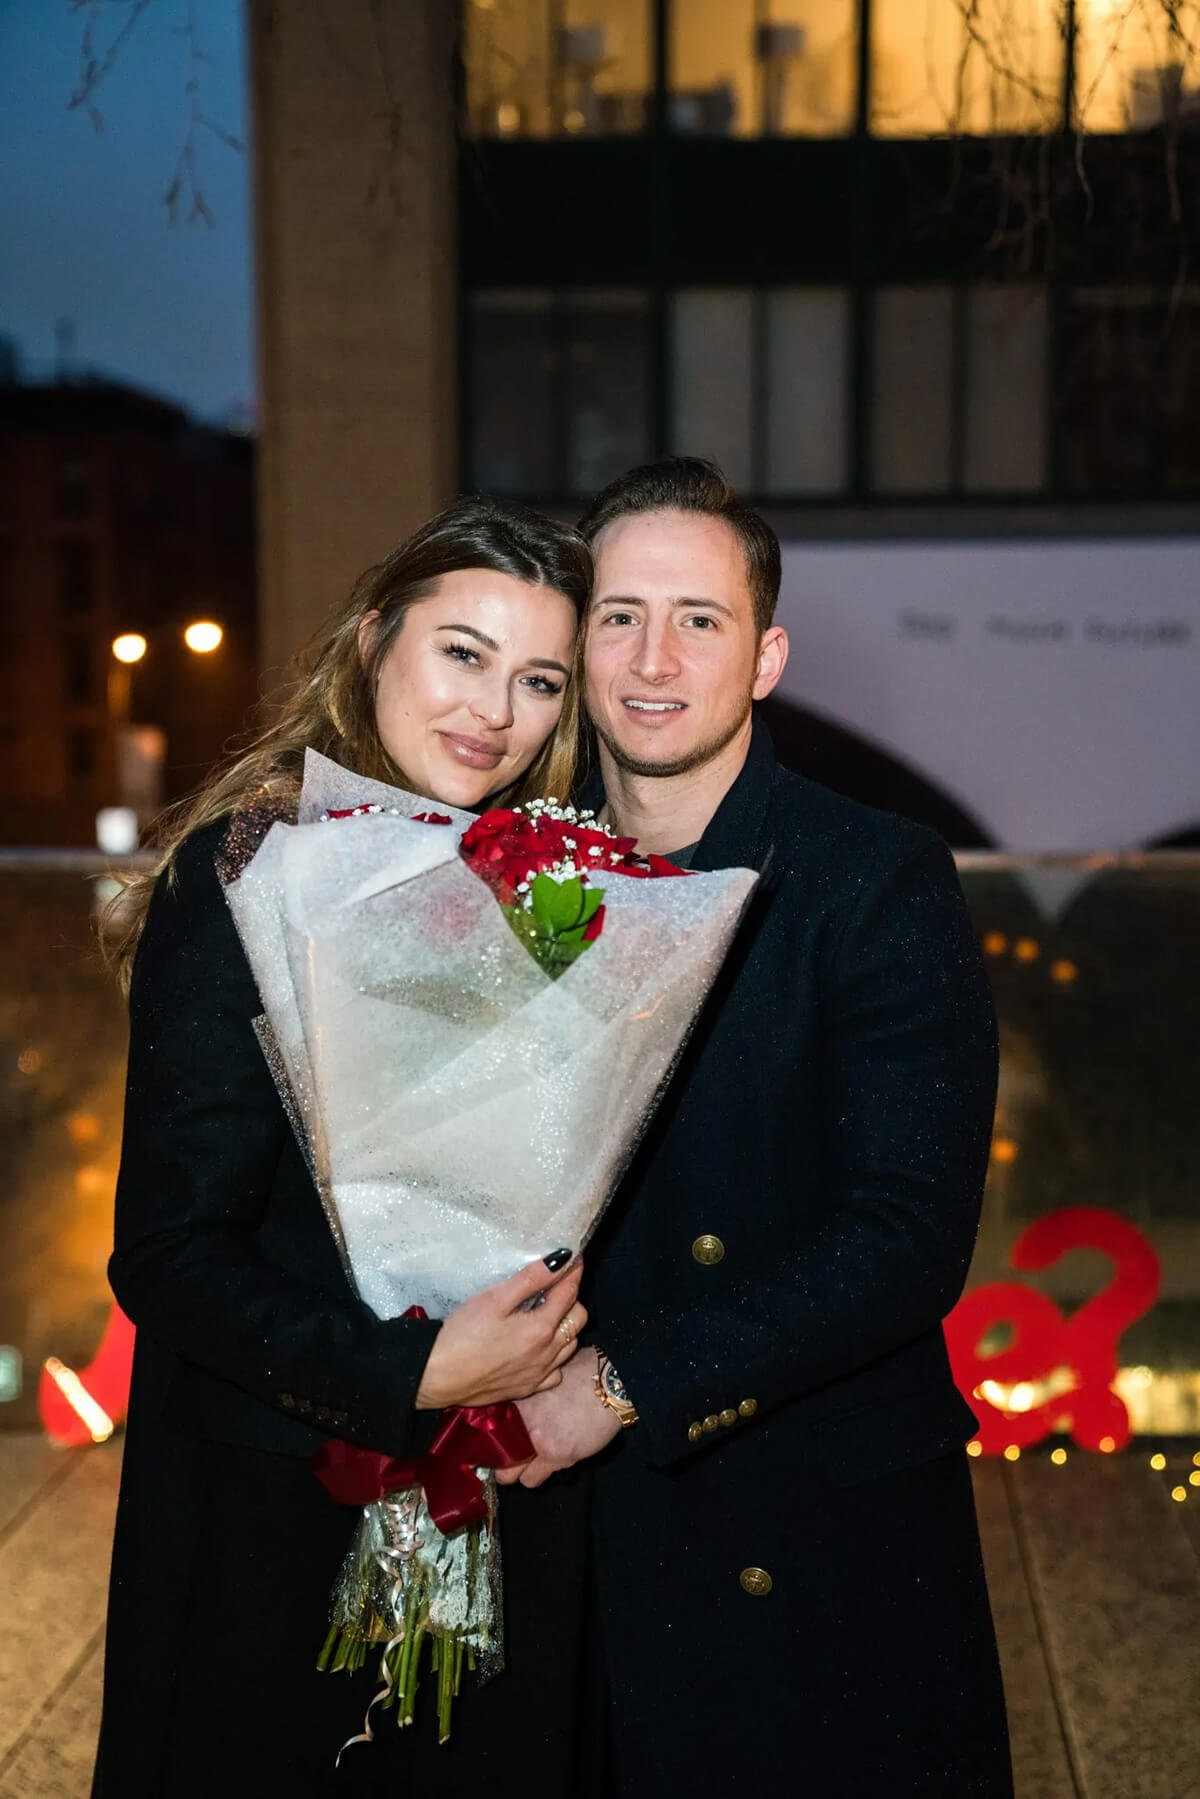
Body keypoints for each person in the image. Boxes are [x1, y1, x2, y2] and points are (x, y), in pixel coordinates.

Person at [502, 459, 1014, 1795]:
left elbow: (905, 1237)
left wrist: (616, 1387)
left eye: (700, 620)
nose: (654, 657)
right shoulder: (510, 873)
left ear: (766, 656)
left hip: (800, 1515)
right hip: (570, 1526)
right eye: (619, 615)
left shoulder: (874, 879)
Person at [94, 497, 596, 1798]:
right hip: (277, 1508)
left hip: (499, 1486)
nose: (497, 707)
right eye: (463, 653)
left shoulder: (552, 889)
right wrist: (408, 1370)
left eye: (540, 678)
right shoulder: (249, 870)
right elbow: (166, 1253)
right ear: (375, 642)